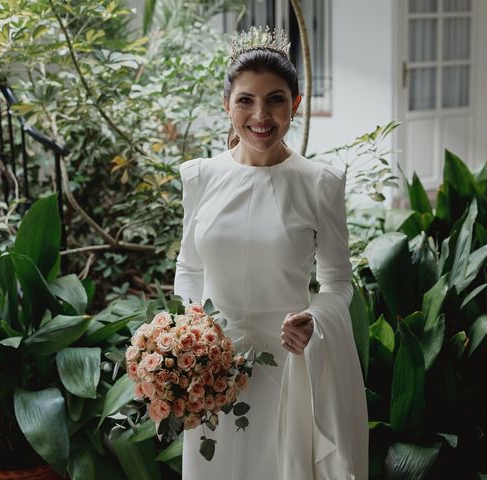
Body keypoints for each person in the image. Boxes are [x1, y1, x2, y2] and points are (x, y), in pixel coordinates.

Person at [173, 26, 368, 480]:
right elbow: (189, 266)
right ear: (227, 106)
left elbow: (339, 281)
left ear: (295, 104)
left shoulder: (319, 183)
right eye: (245, 100)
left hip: (289, 364)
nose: (260, 114)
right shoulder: (199, 178)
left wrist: (315, 321)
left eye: (276, 99)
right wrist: (193, 324)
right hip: (211, 368)